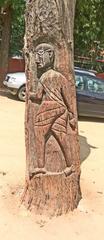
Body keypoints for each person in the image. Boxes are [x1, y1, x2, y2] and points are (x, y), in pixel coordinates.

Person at [29, 43, 76, 176]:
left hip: (49, 107)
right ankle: (70, 165)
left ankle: (41, 166)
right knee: (61, 136)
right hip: (61, 109)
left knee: (39, 133)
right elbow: (68, 99)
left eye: (39, 55)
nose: (37, 60)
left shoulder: (44, 77)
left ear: (50, 55)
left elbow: (38, 96)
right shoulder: (60, 77)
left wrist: (29, 94)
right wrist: (72, 115)